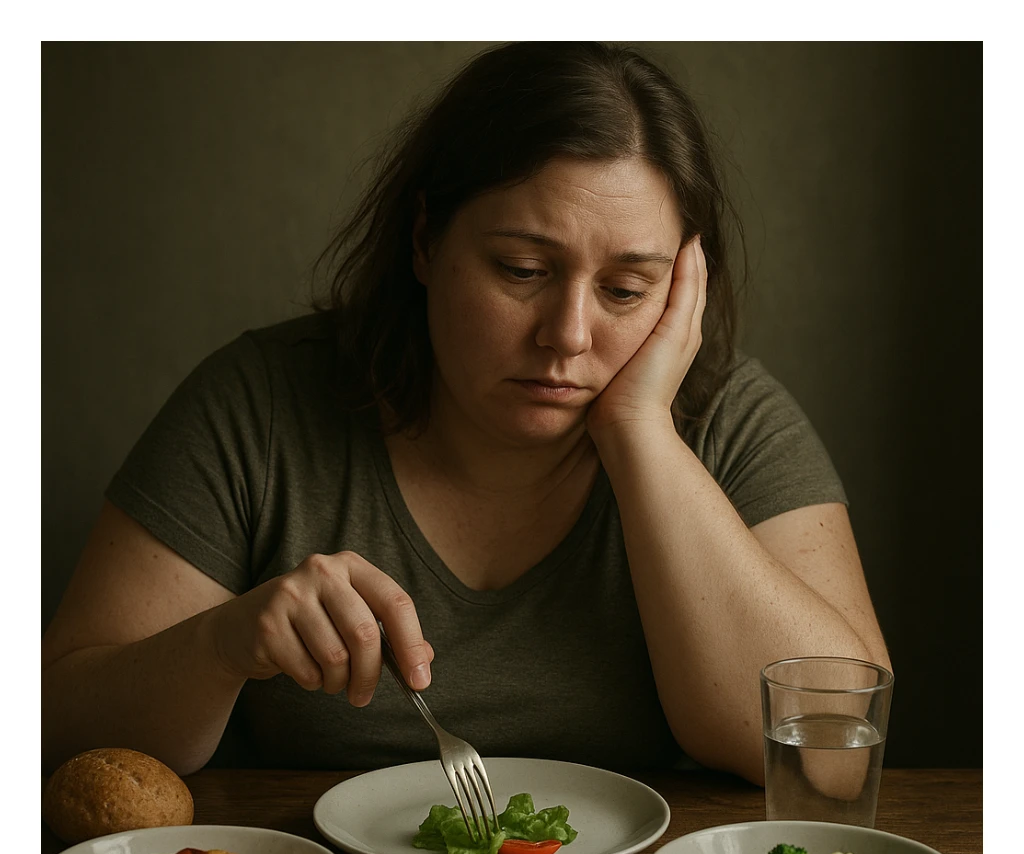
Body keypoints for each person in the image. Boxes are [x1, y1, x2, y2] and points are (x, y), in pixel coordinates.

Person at [41, 41, 890, 786]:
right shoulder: (259, 404)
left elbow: (834, 755)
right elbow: (51, 724)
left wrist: (640, 435)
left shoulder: (729, 419)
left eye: (627, 290)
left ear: (683, 288)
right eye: (521, 269)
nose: (567, 336)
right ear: (424, 240)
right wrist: (220, 644)